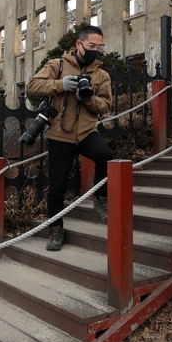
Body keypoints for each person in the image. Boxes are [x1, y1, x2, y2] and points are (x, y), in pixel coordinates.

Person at [26, 25, 113, 251]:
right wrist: (60, 85)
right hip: (59, 134)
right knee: (57, 185)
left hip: (86, 132)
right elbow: (33, 85)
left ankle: (100, 200)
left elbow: (106, 105)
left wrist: (89, 99)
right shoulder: (58, 65)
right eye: (91, 45)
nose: (96, 50)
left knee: (105, 155)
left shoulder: (101, 74)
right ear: (79, 44)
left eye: (99, 46)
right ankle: (55, 229)